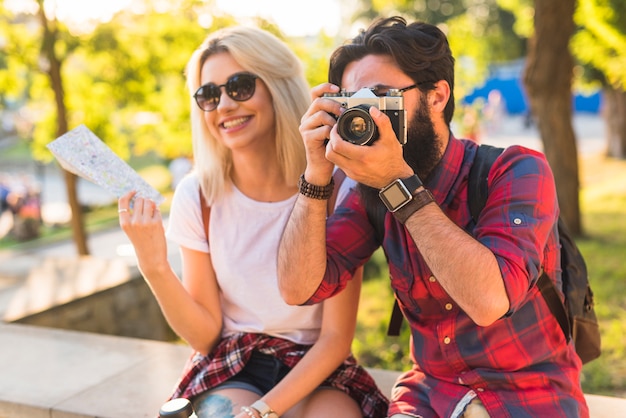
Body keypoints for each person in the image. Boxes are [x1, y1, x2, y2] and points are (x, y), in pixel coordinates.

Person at [277, 16, 589, 418]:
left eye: (381, 97)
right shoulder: (370, 193)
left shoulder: (514, 171)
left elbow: (490, 301)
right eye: (353, 103)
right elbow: (299, 289)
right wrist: (316, 175)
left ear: (437, 96)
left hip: (530, 391)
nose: (367, 117)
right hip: (430, 394)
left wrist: (398, 184)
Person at [118, 26, 388, 418]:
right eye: (209, 95)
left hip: (320, 369)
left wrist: (263, 411)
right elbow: (206, 335)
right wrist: (154, 265)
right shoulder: (199, 195)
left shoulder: (336, 187)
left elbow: (334, 339)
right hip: (234, 366)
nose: (224, 104)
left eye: (240, 86)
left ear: (278, 87)